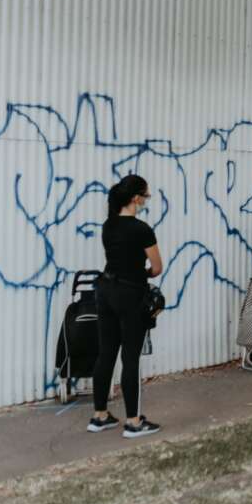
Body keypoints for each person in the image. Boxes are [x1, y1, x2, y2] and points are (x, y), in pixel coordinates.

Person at [90, 175, 163, 438]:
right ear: (136, 198)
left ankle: (99, 416)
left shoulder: (108, 226)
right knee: (130, 357)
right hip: (130, 294)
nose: (146, 201)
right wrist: (144, 274)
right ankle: (133, 422)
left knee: (106, 353)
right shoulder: (142, 229)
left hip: (105, 291)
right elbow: (156, 267)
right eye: (146, 196)